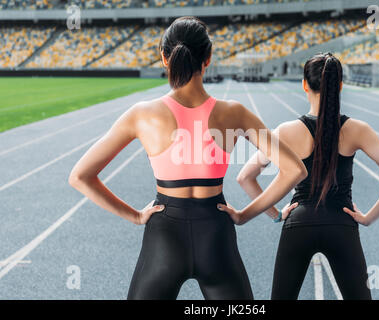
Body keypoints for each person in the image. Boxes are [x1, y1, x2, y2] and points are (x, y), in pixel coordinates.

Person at [68, 16, 306, 300]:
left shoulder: (142, 114)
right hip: (216, 234)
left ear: (164, 58)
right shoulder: (234, 113)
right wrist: (244, 215)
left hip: (164, 235)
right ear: (208, 58)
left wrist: (134, 216)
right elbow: (294, 170)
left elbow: (80, 176)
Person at [230, 53, 379, 300]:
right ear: (340, 87)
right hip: (342, 224)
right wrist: (367, 218)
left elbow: (245, 177)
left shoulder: (286, 131)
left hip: (299, 223)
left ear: (304, 84)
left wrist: (276, 215)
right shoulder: (358, 130)